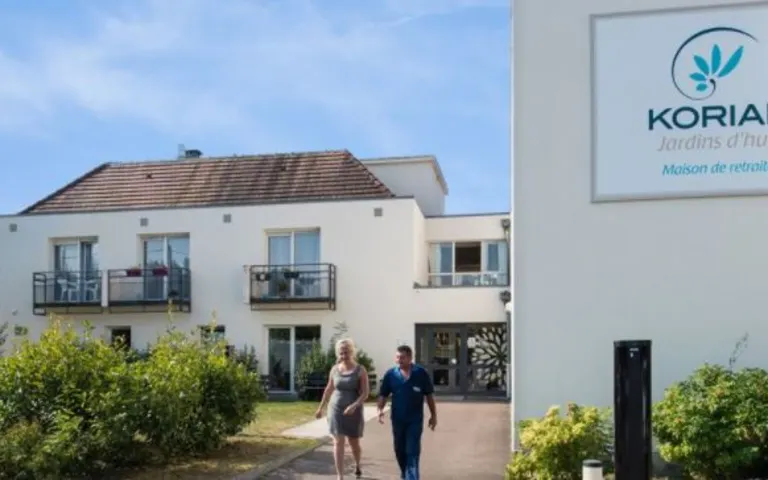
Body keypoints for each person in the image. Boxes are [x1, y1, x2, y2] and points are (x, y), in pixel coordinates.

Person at [377, 344, 437, 480]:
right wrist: (380, 410)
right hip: (397, 420)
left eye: (402, 357)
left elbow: (429, 395)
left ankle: (412, 477)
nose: (399, 360)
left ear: (410, 358)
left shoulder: (420, 373)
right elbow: (383, 394)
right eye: (397, 357)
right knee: (399, 450)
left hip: (415, 420)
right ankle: (405, 474)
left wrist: (433, 415)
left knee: (412, 451)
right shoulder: (391, 375)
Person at [315, 338, 370, 479]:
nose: (344, 355)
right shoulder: (335, 369)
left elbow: (365, 393)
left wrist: (354, 405)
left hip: (353, 411)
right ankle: (340, 476)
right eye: (341, 353)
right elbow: (329, 389)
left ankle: (357, 465)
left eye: (346, 352)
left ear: (352, 352)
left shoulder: (360, 370)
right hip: (336, 409)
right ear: (338, 353)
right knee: (338, 441)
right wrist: (321, 408)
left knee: (354, 443)